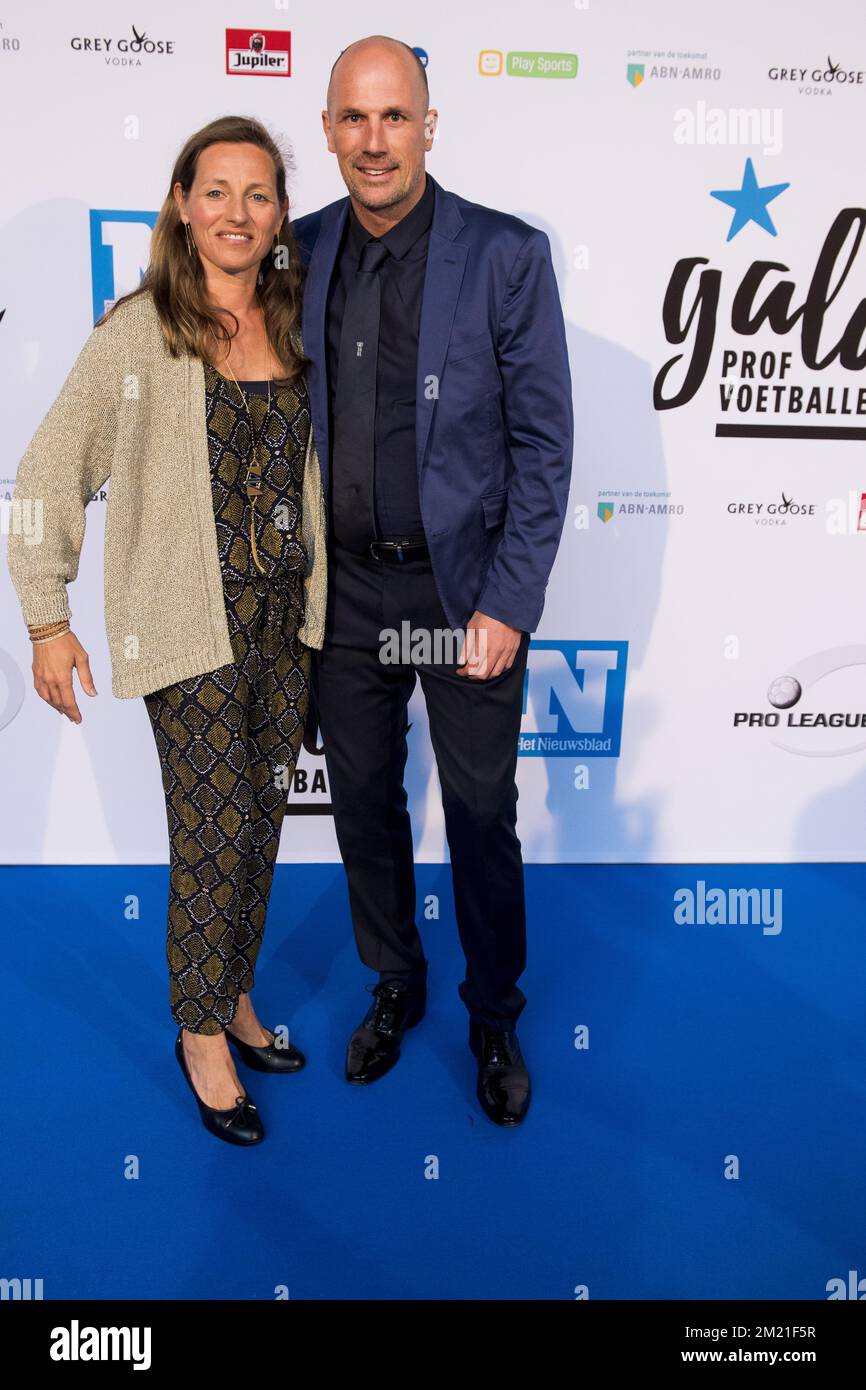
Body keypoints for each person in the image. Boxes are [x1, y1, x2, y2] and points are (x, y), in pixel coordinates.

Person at [6, 116, 328, 1147]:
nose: (237, 212)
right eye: (216, 190)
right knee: (215, 831)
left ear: (280, 215)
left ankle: (231, 993)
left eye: (259, 194)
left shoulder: (296, 319)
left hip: (289, 620)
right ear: (182, 205)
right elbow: (48, 471)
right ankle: (197, 1035)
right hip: (190, 622)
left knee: (263, 826)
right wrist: (47, 617)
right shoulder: (140, 330)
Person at [291, 36, 573, 1126]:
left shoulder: (503, 255)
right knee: (362, 803)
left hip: (460, 601)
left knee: (476, 811)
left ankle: (491, 1008)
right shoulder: (299, 250)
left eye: (393, 117)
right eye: (353, 120)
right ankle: (394, 981)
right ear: (326, 130)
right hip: (347, 597)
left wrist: (507, 601)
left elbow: (543, 446)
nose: (373, 142)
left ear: (427, 125)